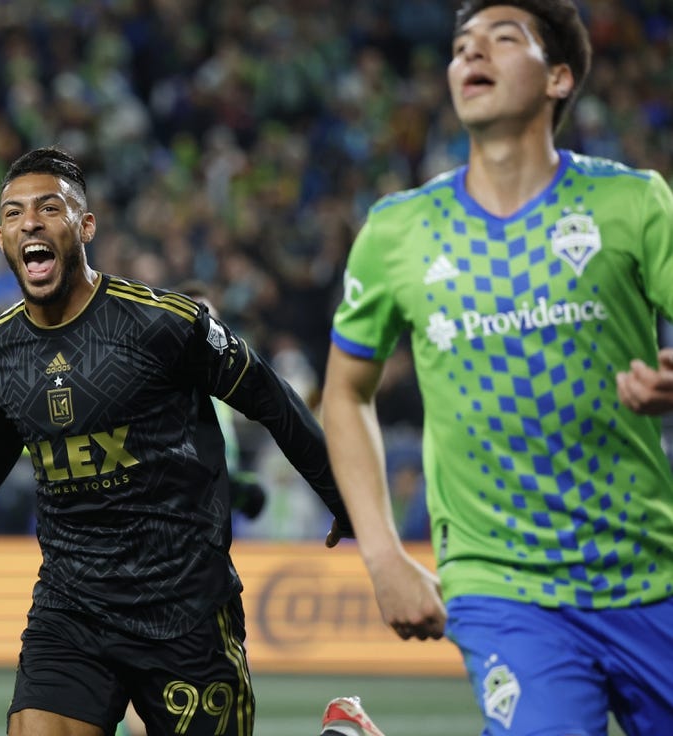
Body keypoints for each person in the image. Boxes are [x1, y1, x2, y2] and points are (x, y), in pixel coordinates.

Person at [0, 146, 354, 736]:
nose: (29, 222)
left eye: (48, 208)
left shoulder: (162, 325)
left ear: (85, 226)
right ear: (1, 239)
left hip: (182, 608)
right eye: (13, 214)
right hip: (71, 608)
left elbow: (273, 400)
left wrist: (343, 495)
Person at [320, 1, 673, 735]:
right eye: (460, 45)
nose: (471, 53)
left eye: (503, 39)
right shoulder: (399, 231)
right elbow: (345, 395)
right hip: (502, 584)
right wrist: (382, 555)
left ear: (560, 78)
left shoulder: (631, 204)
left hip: (649, 571)